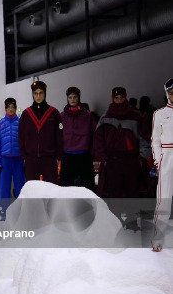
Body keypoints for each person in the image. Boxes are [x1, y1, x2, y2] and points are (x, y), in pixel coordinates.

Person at [93, 86, 151, 228]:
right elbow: (98, 140)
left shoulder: (136, 116)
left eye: (121, 97)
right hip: (112, 161)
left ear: (126, 97)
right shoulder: (105, 117)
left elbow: (144, 138)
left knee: (133, 193)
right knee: (115, 194)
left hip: (132, 160)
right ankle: (116, 224)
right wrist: (104, 159)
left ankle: (132, 223)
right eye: (116, 98)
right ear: (113, 99)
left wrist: (142, 158)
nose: (119, 100)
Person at [18, 80, 63, 183]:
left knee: (51, 188)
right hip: (31, 159)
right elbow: (21, 136)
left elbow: (59, 136)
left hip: (49, 159)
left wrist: (59, 156)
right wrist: (24, 156)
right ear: (33, 95)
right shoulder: (26, 114)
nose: (38, 96)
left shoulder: (54, 113)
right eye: (35, 93)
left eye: (41, 93)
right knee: (32, 189)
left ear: (45, 94)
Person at [0, 98, 25, 217]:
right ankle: (3, 212)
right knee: (4, 187)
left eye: (13, 107)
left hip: (18, 159)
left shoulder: (21, 123)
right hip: (5, 160)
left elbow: (26, 141)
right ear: (5, 109)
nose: (11, 109)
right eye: (8, 107)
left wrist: (25, 158)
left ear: (15, 108)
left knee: (20, 186)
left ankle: (21, 213)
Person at [151, 78, 173, 252]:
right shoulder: (159, 114)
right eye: (171, 93)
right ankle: (157, 239)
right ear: (167, 94)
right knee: (163, 200)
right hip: (167, 156)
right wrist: (159, 160)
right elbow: (155, 140)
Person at [60, 87, 96, 190]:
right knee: (67, 187)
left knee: (87, 186)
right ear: (67, 98)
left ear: (79, 98)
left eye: (75, 97)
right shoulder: (62, 116)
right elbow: (58, 135)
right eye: (70, 97)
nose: (72, 99)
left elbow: (94, 134)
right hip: (68, 156)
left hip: (84, 155)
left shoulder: (87, 115)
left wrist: (92, 152)